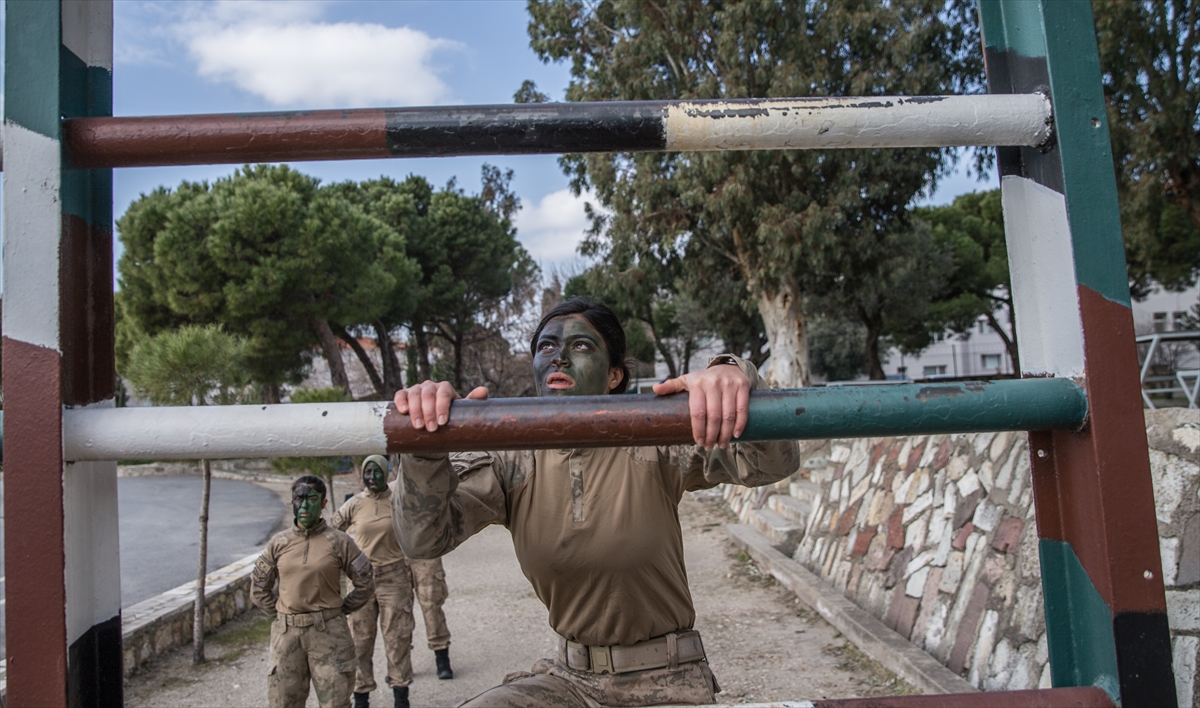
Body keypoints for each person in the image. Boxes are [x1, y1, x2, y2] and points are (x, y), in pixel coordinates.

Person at [391, 297, 800, 707]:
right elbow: (423, 539)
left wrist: (734, 374)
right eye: (546, 347)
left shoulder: (652, 437)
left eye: (581, 346)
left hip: (665, 679)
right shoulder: (510, 457)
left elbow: (772, 464)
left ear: (614, 376)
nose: (559, 358)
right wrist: (424, 445)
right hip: (569, 680)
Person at [252, 475, 375, 708]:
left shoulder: (340, 542)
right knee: (283, 702)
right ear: (292, 501)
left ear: (324, 503)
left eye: (312, 499)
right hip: (287, 637)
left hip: (329, 634)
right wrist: (283, 615)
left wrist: (339, 610)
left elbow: (366, 582)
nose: (305, 505)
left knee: (336, 702)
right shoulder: (278, 543)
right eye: (299, 498)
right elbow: (259, 589)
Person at [332, 455, 421, 708]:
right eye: (367, 472)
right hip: (361, 580)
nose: (372, 477)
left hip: (394, 578)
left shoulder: (397, 500)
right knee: (360, 641)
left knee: (397, 638)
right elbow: (332, 532)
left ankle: (400, 694)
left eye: (377, 472)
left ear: (386, 473)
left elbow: (419, 527)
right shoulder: (355, 504)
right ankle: (361, 696)